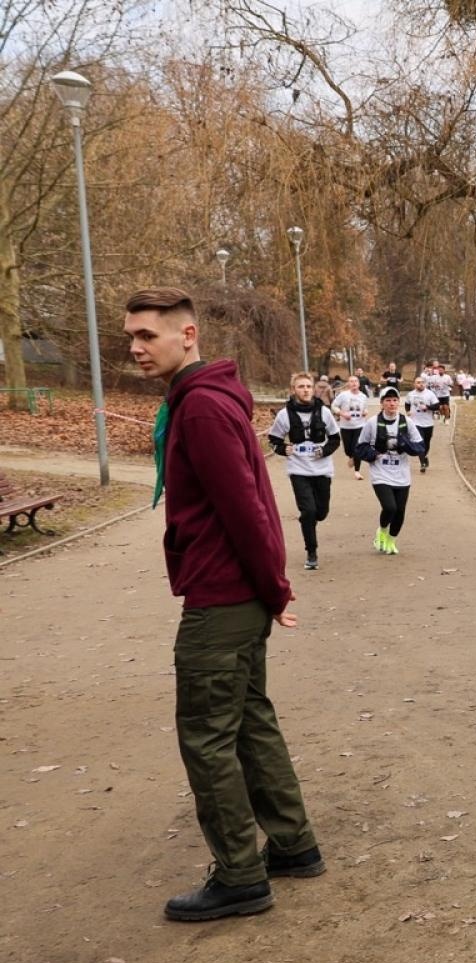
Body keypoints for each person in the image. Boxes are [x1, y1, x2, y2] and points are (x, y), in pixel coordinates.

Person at [123, 287, 322, 922]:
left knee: (207, 735)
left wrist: (275, 587)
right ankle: (291, 843)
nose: (134, 347)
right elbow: (251, 500)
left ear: (187, 336)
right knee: (250, 718)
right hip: (234, 592)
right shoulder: (203, 398)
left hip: (221, 597)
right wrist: (269, 587)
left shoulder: (202, 408)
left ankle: (239, 875)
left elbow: (248, 506)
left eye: (147, 335)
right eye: (130, 335)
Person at [267, 372, 342, 570]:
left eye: (308, 386)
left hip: (322, 469)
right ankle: (311, 552)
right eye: (301, 387)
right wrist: (285, 449)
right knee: (308, 511)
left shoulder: (324, 412)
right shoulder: (285, 415)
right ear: (294, 390)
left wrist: (323, 451)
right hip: (298, 470)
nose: (306, 390)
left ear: (314, 388)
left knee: (321, 512)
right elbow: (273, 440)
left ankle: (309, 520)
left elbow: (335, 439)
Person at [355, 386, 426, 555]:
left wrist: (405, 444)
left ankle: (391, 540)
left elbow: (420, 446)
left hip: (401, 473)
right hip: (380, 472)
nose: (392, 404)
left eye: (395, 400)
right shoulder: (372, 423)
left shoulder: (406, 422)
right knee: (390, 507)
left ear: (399, 403)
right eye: (388, 400)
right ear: (382, 403)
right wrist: (372, 454)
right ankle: (382, 530)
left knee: (400, 511)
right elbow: (360, 447)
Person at [332, 375, 369, 480]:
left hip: (360, 425)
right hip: (345, 426)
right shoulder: (343, 395)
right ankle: (351, 457)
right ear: (348, 384)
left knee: (356, 448)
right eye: (351, 381)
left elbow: (366, 408)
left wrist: (366, 411)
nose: (353, 383)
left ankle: (357, 471)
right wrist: (342, 414)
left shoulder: (363, 396)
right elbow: (333, 406)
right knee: (348, 450)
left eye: (355, 381)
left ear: (359, 383)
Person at [405, 375, 439, 473]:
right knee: (419, 442)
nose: (420, 384)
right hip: (415, 422)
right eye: (418, 382)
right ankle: (422, 463)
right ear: (414, 384)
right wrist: (407, 411)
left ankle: (425, 456)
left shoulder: (430, 394)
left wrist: (427, 407)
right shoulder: (410, 394)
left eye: (422, 382)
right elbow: (407, 403)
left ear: (425, 384)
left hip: (428, 423)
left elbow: (437, 406)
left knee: (426, 443)